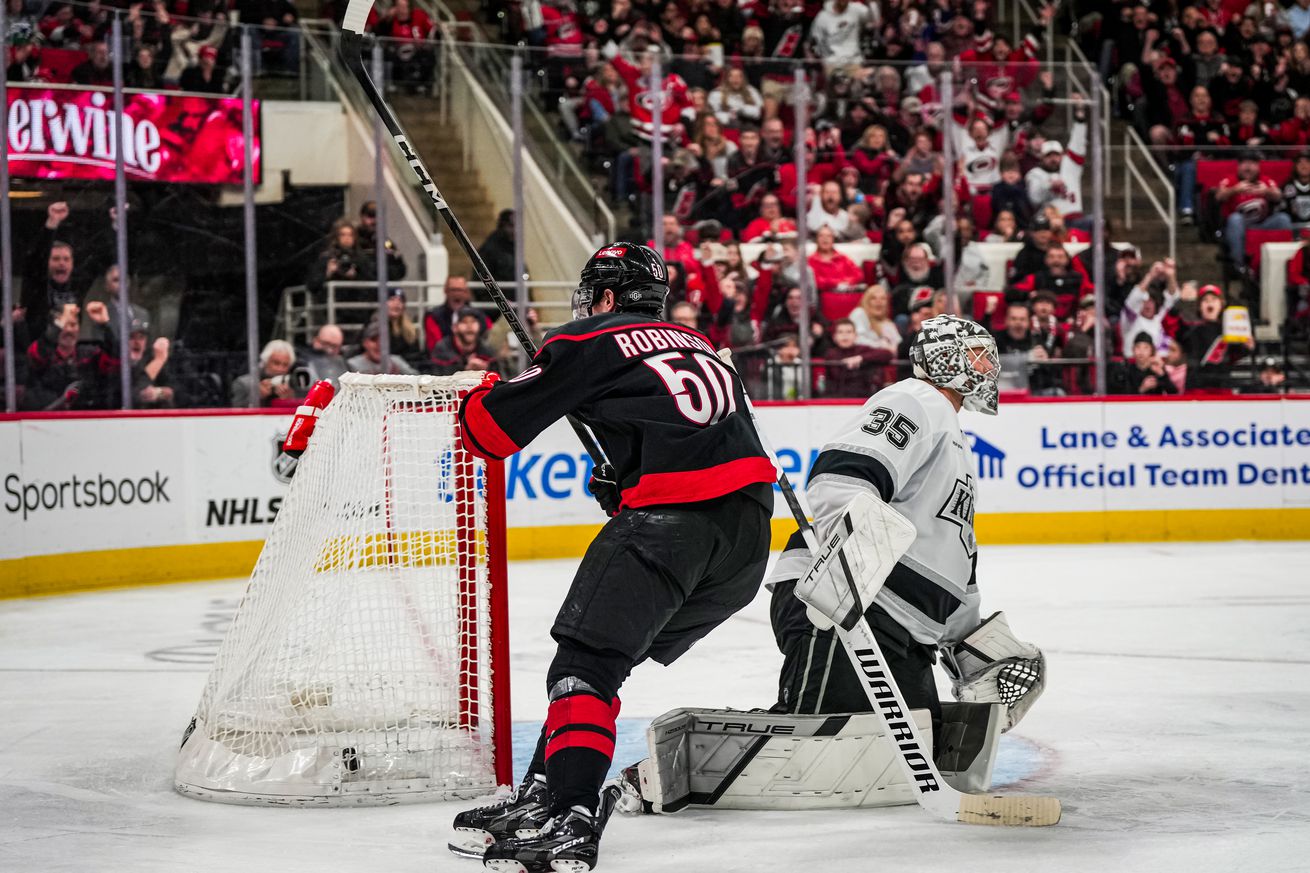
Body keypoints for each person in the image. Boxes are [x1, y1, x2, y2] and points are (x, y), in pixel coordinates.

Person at [451, 243, 775, 872]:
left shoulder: (587, 340)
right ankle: (543, 793)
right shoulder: (698, 343)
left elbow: (487, 433)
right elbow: (701, 435)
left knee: (584, 669)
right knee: (603, 662)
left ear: (603, 297)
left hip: (672, 527)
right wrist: (625, 475)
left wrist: (483, 389)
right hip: (745, 542)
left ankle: (572, 813)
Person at [767, 315, 1011, 747]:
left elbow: (953, 557)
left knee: (922, 749)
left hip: (900, 629)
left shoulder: (950, 437)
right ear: (946, 358)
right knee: (815, 745)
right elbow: (840, 481)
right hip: (846, 609)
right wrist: (849, 579)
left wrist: (968, 643)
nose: (988, 367)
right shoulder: (917, 400)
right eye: (977, 355)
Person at [1216, 153, 1291, 275]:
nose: (1248, 167)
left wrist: (1266, 191)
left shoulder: (1265, 181)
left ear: (1258, 166)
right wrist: (1235, 190)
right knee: (1235, 219)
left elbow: (1278, 196)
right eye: (1244, 163)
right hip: (1238, 227)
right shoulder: (1230, 180)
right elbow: (1219, 196)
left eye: (1252, 163)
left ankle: (1287, 261)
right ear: (1238, 166)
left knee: (1283, 219)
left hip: (1262, 225)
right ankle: (1238, 266)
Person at [821, 318, 893, 397]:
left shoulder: (862, 350)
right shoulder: (831, 353)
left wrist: (860, 358)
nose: (845, 335)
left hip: (863, 398)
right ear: (834, 337)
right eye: (840, 332)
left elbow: (888, 354)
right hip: (837, 400)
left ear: (856, 336)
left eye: (849, 332)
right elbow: (837, 375)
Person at [424, 275, 492, 353]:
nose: (457, 294)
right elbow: (436, 348)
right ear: (445, 291)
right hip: (445, 361)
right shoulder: (433, 317)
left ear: (467, 293)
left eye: (460, 290)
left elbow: (490, 341)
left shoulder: (481, 316)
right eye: (453, 290)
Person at [428, 307, 498, 375]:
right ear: (454, 327)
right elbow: (438, 379)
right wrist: (466, 371)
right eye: (464, 322)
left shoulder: (486, 350)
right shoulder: (443, 349)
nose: (469, 326)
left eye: (473, 321)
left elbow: (499, 379)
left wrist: (486, 371)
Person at [231, 340, 300, 407]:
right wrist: (258, 396)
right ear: (265, 361)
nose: (280, 369)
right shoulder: (243, 384)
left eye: (285, 365)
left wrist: (290, 401)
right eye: (276, 363)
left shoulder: (296, 387)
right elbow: (235, 413)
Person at [355, 201, 407, 281]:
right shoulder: (353, 241)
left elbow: (400, 269)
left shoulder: (386, 243)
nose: (374, 221)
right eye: (370, 216)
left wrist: (384, 273)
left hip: (381, 289)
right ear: (362, 217)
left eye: (377, 217)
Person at [347, 322, 419, 375]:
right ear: (364, 343)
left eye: (383, 340)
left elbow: (417, 378)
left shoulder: (395, 362)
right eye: (374, 340)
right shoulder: (352, 365)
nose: (379, 345)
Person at [848, 284, 901, 353]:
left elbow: (899, 343)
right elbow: (857, 339)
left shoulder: (887, 323)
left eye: (883, 298)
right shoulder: (859, 313)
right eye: (873, 298)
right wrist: (881, 346)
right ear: (866, 301)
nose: (879, 302)